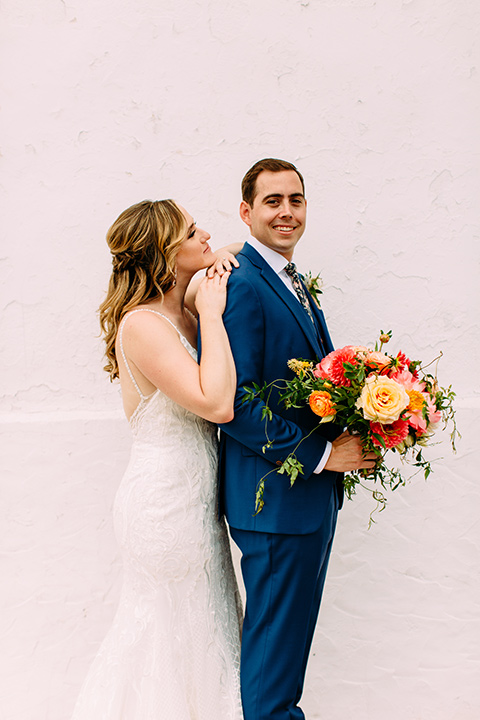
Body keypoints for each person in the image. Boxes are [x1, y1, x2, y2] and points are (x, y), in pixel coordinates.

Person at [71, 199, 244, 720]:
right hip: (164, 506)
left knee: (209, 628)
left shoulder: (181, 308)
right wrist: (212, 312)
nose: (207, 234)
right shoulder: (144, 325)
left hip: (197, 504)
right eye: (193, 233)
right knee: (173, 638)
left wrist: (235, 254)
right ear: (167, 255)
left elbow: (241, 247)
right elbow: (216, 403)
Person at [218, 159, 377, 720]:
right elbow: (234, 402)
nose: (286, 212)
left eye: (296, 200)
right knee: (273, 668)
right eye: (272, 201)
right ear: (246, 211)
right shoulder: (243, 283)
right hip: (274, 504)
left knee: (287, 661)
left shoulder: (290, 278)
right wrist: (325, 454)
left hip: (305, 502)